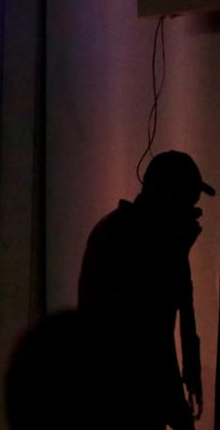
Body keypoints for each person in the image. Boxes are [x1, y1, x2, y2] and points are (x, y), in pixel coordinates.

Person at [77, 151, 212, 430]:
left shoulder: (142, 237)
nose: (191, 214)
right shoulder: (125, 238)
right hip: (120, 401)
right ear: (162, 195)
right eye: (185, 204)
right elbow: (145, 329)